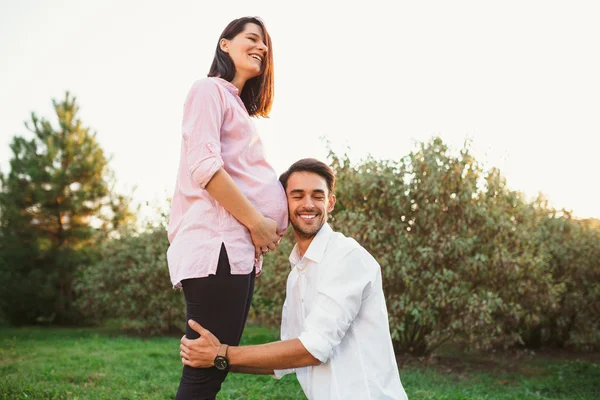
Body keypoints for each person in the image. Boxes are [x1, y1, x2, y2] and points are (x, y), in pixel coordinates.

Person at [179, 159, 408, 400]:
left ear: (330, 203)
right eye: (297, 196)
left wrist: (221, 353)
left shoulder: (346, 256)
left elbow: (312, 349)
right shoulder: (298, 271)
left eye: (317, 196)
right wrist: (214, 357)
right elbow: (285, 361)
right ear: (283, 204)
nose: (308, 204)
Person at [167, 16, 288, 399]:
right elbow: (205, 167)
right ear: (225, 45)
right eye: (252, 38)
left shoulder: (238, 109)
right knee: (204, 373)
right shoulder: (208, 91)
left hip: (235, 253)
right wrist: (258, 223)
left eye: (265, 44)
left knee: (212, 367)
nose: (262, 48)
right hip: (216, 247)